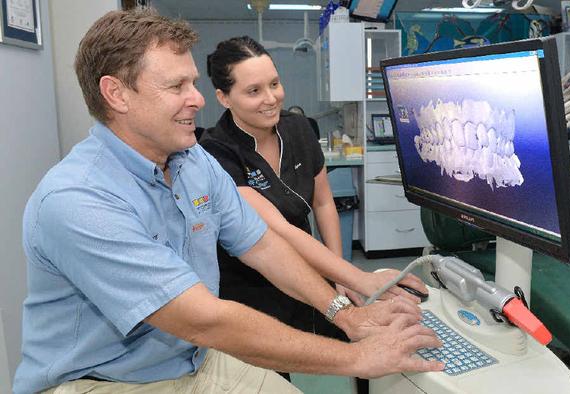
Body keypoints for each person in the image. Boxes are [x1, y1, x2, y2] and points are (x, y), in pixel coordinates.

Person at [13, 8, 443, 394]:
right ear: (117, 94)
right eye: (176, 85)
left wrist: (345, 315)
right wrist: (355, 358)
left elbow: (262, 244)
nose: (196, 99)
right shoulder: (77, 201)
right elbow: (202, 317)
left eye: (194, 83)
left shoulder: (192, 161)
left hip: (193, 357)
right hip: (101, 380)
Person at [200, 36, 428, 346]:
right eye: (254, 91)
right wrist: (358, 276)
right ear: (224, 98)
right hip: (253, 282)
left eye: (274, 84)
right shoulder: (217, 152)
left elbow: (322, 203)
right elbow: (278, 230)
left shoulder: (298, 129)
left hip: (312, 265)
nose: (271, 98)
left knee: (355, 339)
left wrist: (337, 275)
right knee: (276, 369)